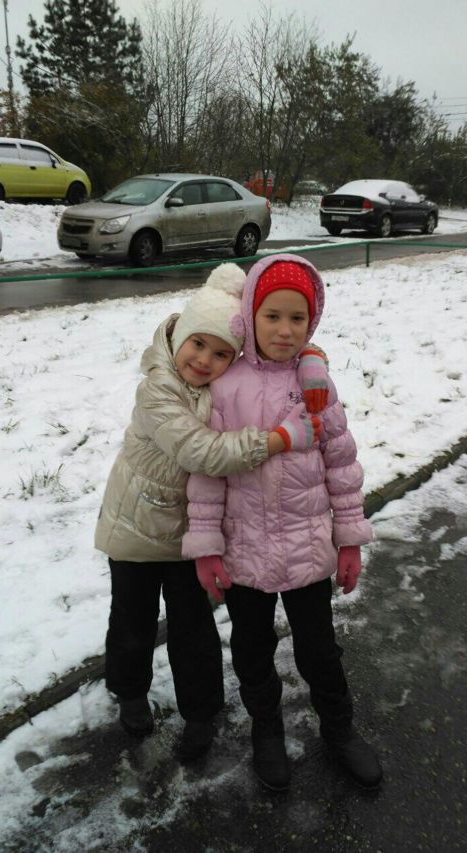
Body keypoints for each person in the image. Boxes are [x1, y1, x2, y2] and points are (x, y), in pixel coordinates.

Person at [94, 262, 325, 761]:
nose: (204, 360)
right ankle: (130, 692)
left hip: (190, 529)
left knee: (194, 628)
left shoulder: (222, 387)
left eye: (221, 353)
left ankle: (200, 713)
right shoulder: (158, 387)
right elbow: (200, 452)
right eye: (198, 344)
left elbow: (275, 361)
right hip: (136, 528)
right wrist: (278, 439)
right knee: (132, 621)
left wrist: (312, 358)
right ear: (180, 335)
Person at [182, 254, 383, 790]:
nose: (285, 330)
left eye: (298, 318)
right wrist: (206, 547)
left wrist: (349, 541)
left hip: (307, 549)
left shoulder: (316, 385)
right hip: (244, 552)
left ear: (312, 322)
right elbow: (208, 474)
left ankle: (339, 729)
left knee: (320, 651)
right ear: (251, 315)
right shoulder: (226, 388)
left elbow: (342, 468)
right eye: (272, 316)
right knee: (252, 652)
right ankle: (266, 731)